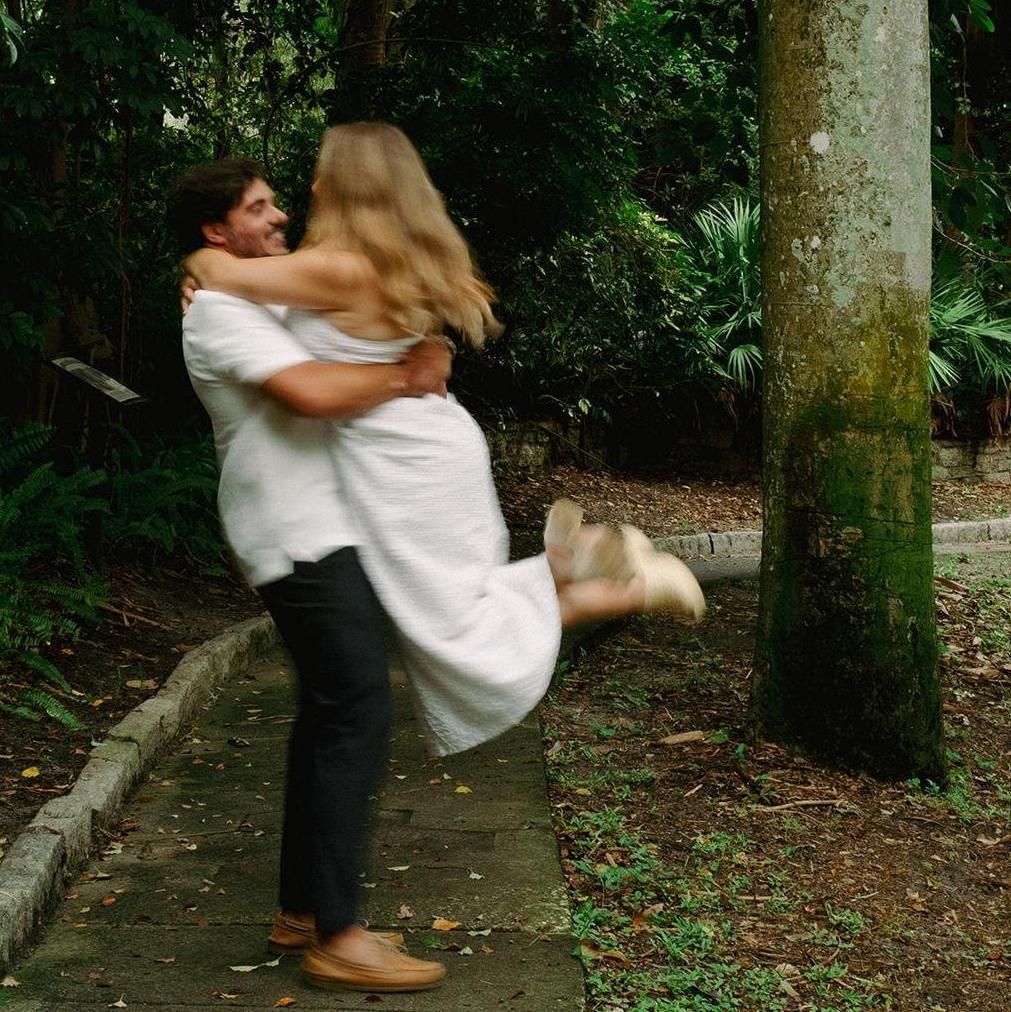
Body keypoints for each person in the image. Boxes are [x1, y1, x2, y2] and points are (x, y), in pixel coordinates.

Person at [182, 123, 706, 760]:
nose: (308, 191)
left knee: (452, 623)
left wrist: (199, 267)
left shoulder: (336, 268)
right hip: (428, 441)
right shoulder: (392, 259)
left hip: (399, 456)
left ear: (346, 187)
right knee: (458, 597)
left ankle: (626, 588)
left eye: (323, 175)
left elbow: (218, 269)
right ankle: (578, 562)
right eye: (262, 204)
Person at [168, 157, 453, 993]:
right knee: (356, 707)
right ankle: (338, 936)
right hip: (296, 535)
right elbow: (309, 392)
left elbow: (357, 309)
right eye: (258, 208)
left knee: (331, 710)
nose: (279, 216)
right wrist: (405, 376)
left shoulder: (247, 292)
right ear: (217, 228)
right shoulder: (220, 312)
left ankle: (303, 911)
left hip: (321, 527)